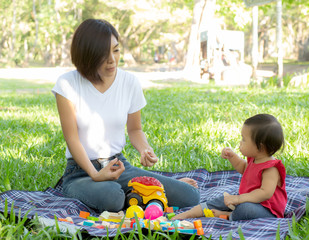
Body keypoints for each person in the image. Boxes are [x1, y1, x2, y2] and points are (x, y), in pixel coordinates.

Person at [52, 19, 200, 213]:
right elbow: (71, 138)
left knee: (190, 195)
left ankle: (141, 191)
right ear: (87, 54)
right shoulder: (68, 83)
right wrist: (95, 175)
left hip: (118, 166)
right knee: (112, 197)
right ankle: (132, 194)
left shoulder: (129, 82)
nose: (112, 59)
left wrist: (144, 149)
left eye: (115, 50)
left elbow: (135, 129)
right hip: (81, 173)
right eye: (103, 54)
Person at [172, 113, 287, 221]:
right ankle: (189, 213)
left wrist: (239, 199)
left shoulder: (271, 169)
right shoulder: (255, 159)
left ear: (260, 146)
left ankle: (229, 215)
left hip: (266, 210)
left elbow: (265, 193)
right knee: (223, 199)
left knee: (246, 208)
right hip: (246, 199)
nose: (240, 142)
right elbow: (243, 168)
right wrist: (232, 157)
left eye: (244, 139)